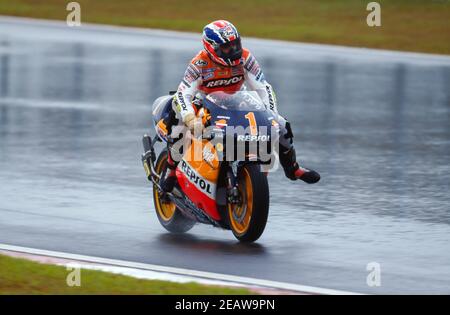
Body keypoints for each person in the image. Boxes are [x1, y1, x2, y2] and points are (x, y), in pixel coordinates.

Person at [158, 20, 320, 192]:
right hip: (205, 102)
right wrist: (190, 118)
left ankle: (293, 169)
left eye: (236, 44)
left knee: (281, 125)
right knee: (180, 124)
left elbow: (263, 87)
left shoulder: (245, 57)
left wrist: (270, 113)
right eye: (228, 47)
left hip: (237, 100)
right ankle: (170, 169)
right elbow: (182, 94)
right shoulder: (199, 64)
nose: (234, 51)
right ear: (212, 47)